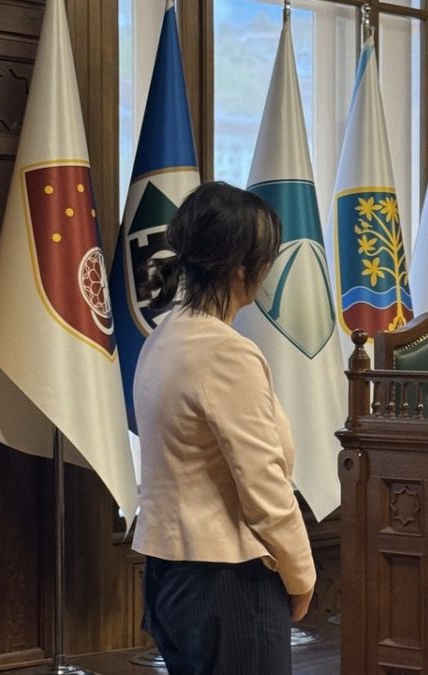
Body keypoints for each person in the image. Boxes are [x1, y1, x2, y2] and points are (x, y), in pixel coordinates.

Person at [132, 181, 315, 674]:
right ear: (241, 268)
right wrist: (301, 574)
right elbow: (264, 485)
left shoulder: (163, 335)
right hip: (229, 582)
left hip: (170, 572)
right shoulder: (225, 352)